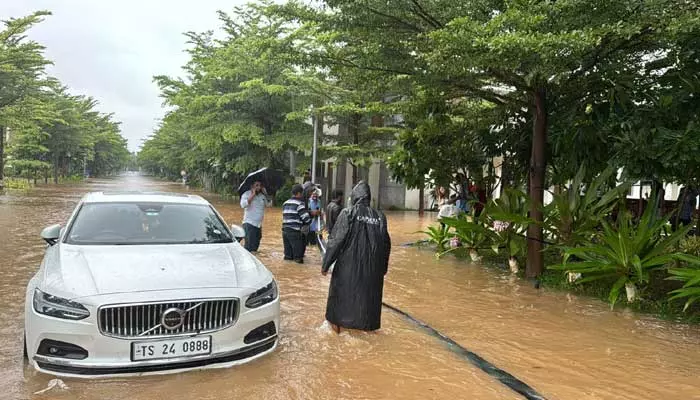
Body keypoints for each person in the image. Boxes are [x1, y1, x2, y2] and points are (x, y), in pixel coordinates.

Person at [321, 181, 391, 334]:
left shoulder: (348, 213)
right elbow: (386, 245)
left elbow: (335, 241)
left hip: (348, 269)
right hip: (373, 272)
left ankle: (338, 333)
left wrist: (325, 265)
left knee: (338, 309)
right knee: (368, 307)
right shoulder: (380, 217)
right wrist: (382, 269)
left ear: (354, 197)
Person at [282, 184, 313, 263]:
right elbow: (306, 219)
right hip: (295, 232)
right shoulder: (300, 204)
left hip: (285, 231)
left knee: (288, 257)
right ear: (299, 193)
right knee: (298, 258)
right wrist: (311, 217)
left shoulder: (285, 203)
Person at [240, 180, 269, 252]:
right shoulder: (246, 194)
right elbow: (243, 205)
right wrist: (252, 195)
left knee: (255, 247)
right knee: (248, 248)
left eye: (260, 185)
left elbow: (268, 205)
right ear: (252, 186)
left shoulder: (262, 196)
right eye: (257, 185)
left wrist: (266, 194)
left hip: (258, 225)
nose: (259, 187)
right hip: (249, 223)